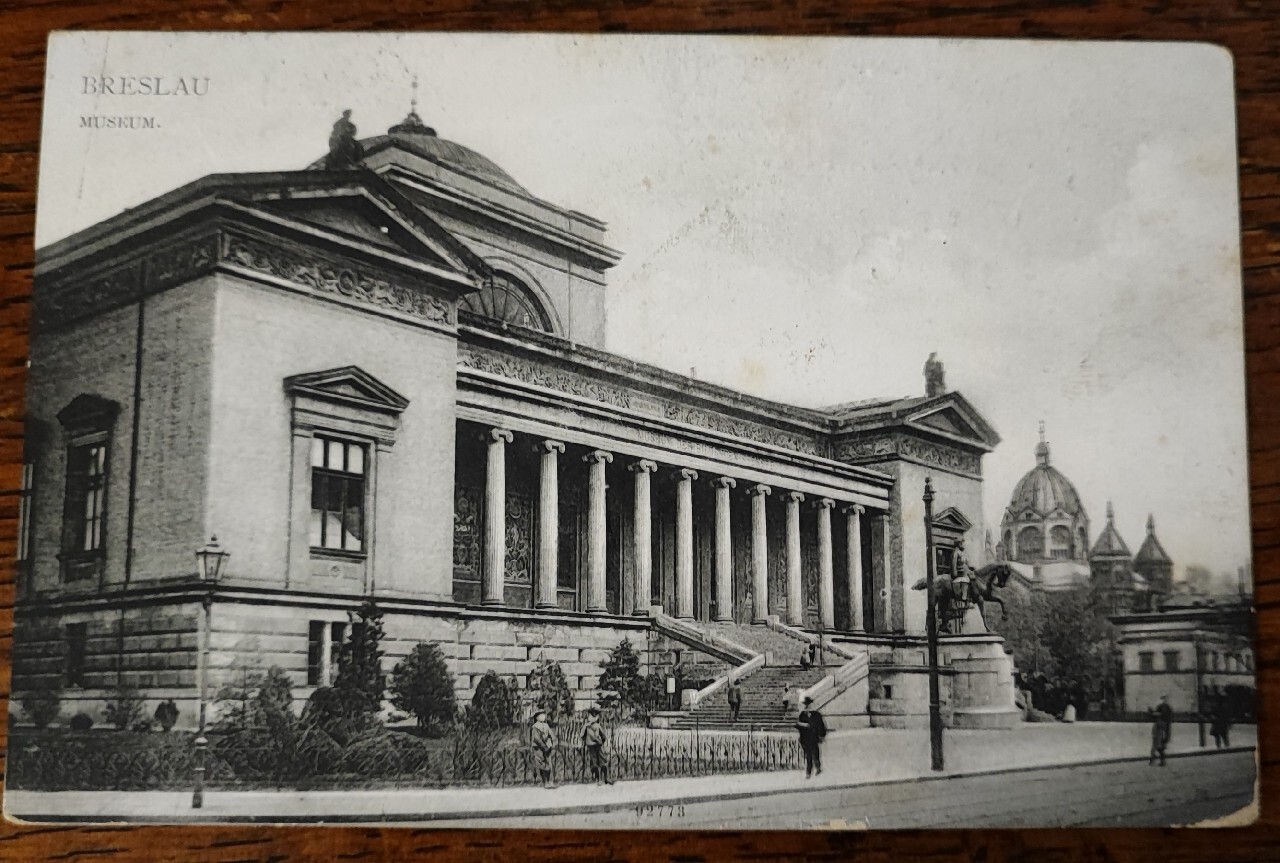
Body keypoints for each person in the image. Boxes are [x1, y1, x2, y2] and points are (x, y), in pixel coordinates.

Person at [795, 696, 828, 778]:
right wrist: (802, 726)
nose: (806, 706)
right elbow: (798, 725)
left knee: (815, 754)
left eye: (808, 704)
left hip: (813, 737)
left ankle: (818, 768)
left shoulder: (816, 715)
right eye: (805, 704)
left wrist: (821, 735)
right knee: (808, 756)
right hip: (805, 738)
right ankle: (808, 772)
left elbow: (821, 726)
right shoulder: (802, 715)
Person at [582, 708, 613, 785]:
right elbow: (603, 736)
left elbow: (582, 735)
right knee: (602, 761)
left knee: (594, 762)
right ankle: (606, 778)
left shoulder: (586, 726)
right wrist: (601, 742)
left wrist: (586, 741)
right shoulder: (597, 726)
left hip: (590, 746)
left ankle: (598, 779)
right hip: (598, 745)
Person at [530, 710, 557, 788]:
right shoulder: (535, 726)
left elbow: (551, 734)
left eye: (544, 715)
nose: (543, 716)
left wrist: (554, 742)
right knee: (542, 764)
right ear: (537, 717)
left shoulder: (546, 725)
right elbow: (536, 738)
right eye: (541, 715)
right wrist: (543, 746)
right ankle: (545, 782)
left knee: (549, 764)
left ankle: (550, 781)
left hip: (547, 747)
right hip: (539, 747)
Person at [1149, 694, 1173, 766]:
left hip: (1160, 730)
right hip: (1161, 730)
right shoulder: (1167, 708)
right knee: (1159, 746)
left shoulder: (1163, 709)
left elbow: (1158, 715)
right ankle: (1158, 760)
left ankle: (1155, 760)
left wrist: (1152, 713)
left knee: (1157, 746)